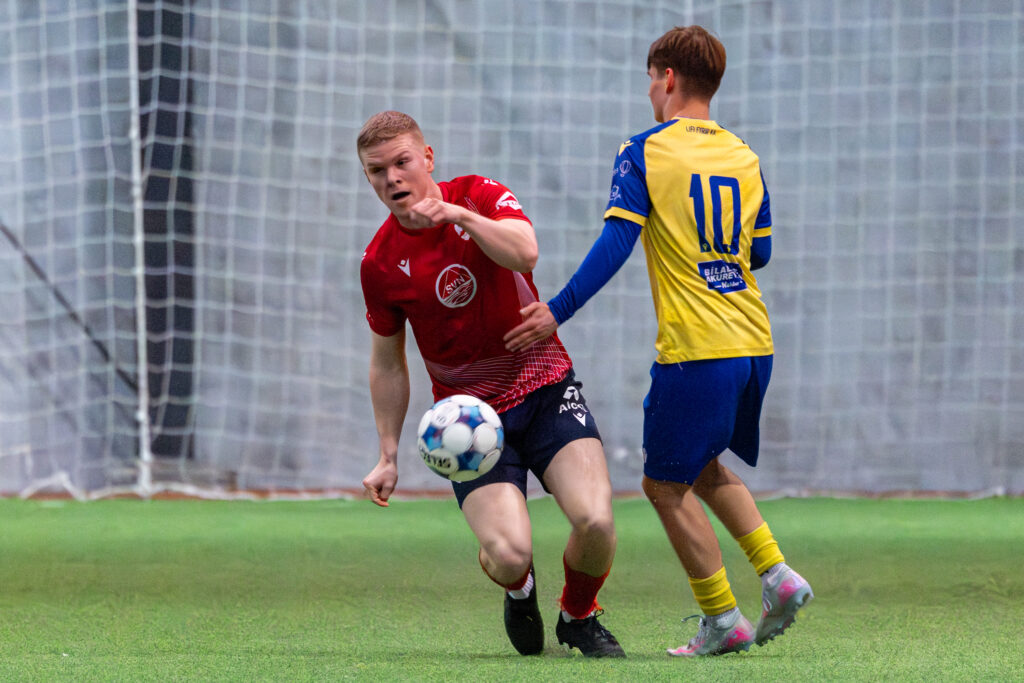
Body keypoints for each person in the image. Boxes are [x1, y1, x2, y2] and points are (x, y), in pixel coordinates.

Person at [504, 26, 813, 657]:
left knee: (662, 487)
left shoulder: (644, 150)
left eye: (651, 78)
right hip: (753, 340)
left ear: (668, 77)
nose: (649, 90)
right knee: (701, 467)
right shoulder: (744, 155)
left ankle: (722, 619)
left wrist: (557, 310)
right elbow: (760, 251)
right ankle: (776, 574)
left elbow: (618, 240)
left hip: (697, 346)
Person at [357, 111, 625, 658]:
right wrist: (387, 453)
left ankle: (577, 616)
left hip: (546, 389)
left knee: (596, 521)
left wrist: (459, 216)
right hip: (469, 422)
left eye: (402, 162)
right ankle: (520, 589)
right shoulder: (379, 263)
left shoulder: (478, 194)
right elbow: (387, 362)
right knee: (508, 554)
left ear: (427, 158)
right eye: (376, 171)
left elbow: (525, 252)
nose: (392, 179)